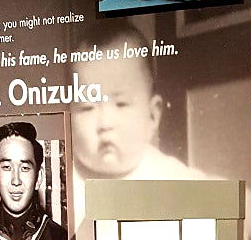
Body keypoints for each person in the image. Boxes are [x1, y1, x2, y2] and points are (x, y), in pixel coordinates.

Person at [72, 23, 207, 180]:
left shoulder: (171, 176)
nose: (105, 123)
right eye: (88, 107)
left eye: (121, 104)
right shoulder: (60, 175)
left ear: (152, 116)